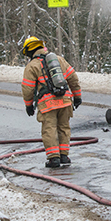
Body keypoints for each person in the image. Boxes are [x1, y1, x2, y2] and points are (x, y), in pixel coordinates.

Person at [21, 36, 82, 168]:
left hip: (47, 104)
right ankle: (64, 156)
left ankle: (54, 158)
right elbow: (73, 78)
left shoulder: (32, 66)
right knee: (64, 128)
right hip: (65, 101)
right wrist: (77, 97)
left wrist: (28, 105)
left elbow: (28, 89)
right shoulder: (59, 60)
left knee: (50, 129)